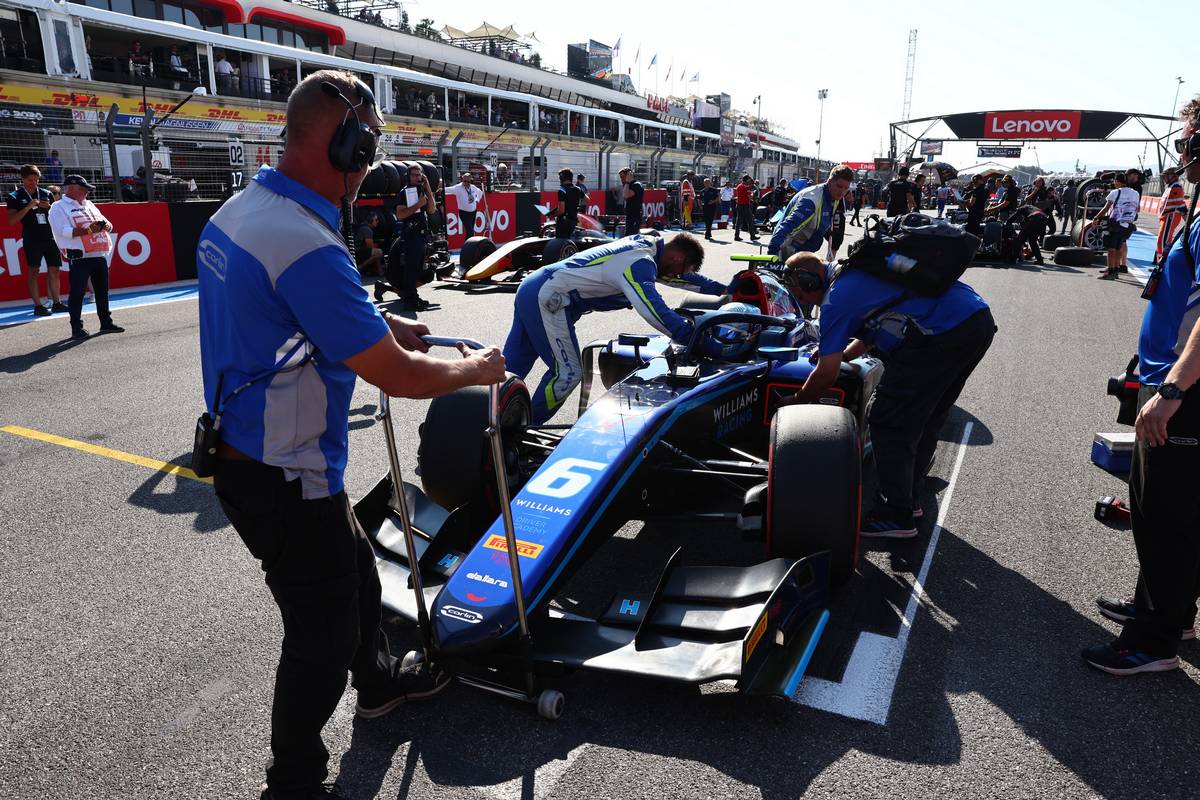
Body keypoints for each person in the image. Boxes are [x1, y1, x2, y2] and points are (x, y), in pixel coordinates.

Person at [197, 70, 507, 799]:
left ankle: (378, 685)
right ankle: (295, 779)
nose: (370, 163)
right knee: (319, 637)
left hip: (267, 462)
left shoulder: (242, 210)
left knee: (357, 574)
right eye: (368, 145)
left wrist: (368, 322)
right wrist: (475, 368)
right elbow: (398, 376)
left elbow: (279, 310)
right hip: (283, 473)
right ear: (347, 145)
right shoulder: (305, 242)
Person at [1084, 97, 1200, 676]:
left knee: (1164, 517)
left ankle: (1153, 643)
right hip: (1178, 383)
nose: (1181, 154)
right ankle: (1170, 613)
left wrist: (1173, 389)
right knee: (1177, 513)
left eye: (1186, 143)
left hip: (1186, 395)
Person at [779, 248, 995, 538]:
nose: (804, 302)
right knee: (928, 414)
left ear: (809, 281)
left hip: (941, 332)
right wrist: (841, 354)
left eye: (802, 295)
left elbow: (826, 374)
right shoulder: (856, 272)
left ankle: (896, 514)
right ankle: (908, 499)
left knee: (886, 416)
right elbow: (874, 327)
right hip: (974, 319)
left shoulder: (837, 296)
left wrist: (795, 402)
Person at [503, 233, 725, 423]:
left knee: (509, 369)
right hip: (549, 298)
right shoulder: (639, 262)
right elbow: (656, 313)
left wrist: (723, 290)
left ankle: (485, 420)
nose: (678, 276)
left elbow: (678, 278)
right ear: (678, 257)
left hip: (534, 287)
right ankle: (523, 430)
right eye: (681, 270)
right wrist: (697, 339)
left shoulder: (647, 245)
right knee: (568, 374)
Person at [49, 175, 122, 339]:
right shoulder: (58, 207)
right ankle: (76, 327)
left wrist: (103, 225)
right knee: (77, 293)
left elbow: (109, 225)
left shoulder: (89, 204)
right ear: (70, 188)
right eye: (83, 189)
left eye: (87, 189)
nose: (86, 192)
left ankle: (106, 322)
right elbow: (64, 231)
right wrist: (89, 230)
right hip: (79, 256)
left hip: (99, 253)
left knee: (102, 291)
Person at [375, 164, 437, 309]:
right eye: (414, 174)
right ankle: (410, 301)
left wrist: (428, 188)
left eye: (419, 174)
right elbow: (400, 215)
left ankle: (413, 296)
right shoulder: (404, 192)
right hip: (411, 234)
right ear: (408, 177)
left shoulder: (422, 190)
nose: (417, 177)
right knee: (411, 268)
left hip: (422, 234)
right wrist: (418, 205)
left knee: (417, 268)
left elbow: (432, 210)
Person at [8, 164, 65, 317]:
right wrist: (28, 207)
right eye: (30, 180)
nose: (33, 183)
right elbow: (12, 220)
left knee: (55, 269)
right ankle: (38, 305)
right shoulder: (14, 196)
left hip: (49, 236)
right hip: (32, 238)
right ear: (23, 179)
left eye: (36, 180)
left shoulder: (46, 193)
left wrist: (50, 207)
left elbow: (57, 216)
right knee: (34, 270)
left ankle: (57, 302)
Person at [767, 165, 853, 259]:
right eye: (839, 186)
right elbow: (786, 227)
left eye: (846, 188)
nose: (842, 192)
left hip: (804, 251)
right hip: (787, 252)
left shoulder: (834, 197)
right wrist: (772, 257)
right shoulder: (811, 200)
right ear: (829, 182)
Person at [1085, 172, 1140, 280]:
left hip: (1115, 224)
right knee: (1118, 247)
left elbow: (1106, 208)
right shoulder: (1135, 193)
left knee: (1111, 249)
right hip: (1128, 225)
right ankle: (1115, 270)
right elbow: (1137, 209)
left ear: (1117, 182)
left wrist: (1096, 218)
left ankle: (1110, 272)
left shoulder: (1115, 192)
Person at [1155, 166, 1188, 265]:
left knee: (1163, 241)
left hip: (1170, 216)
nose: (1164, 178)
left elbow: (1180, 204)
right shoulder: (1171, 186)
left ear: (1173, 176)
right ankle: (1159, 262)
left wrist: (1186, 218)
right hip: (1166, 217)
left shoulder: (1176, 187)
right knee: (1162, 240)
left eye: (1166, 176)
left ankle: (1161, 264)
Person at [546, 167, 582, 239]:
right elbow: (585, 200)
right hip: (573, 221)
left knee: (560, 244)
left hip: (563, 222)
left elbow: (561, 211)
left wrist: (552, 215)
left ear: (561, 178)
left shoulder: (562, 190)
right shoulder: (578, 189)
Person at [446, 171, 483, 240]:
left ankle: (466, 247)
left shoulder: (473, 187)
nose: (466, 183)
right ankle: (470, 247)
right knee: (471, 232)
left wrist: (477, 200)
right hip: (464, 213)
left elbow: (480, 193)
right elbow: (448, 189)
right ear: (462, 180)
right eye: (464, 181)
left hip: (473, 212)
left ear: (471, 181)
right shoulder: (458, 188)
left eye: (468, 182)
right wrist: (440, 189)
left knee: (469, 232)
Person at [354, 211, 383, 276]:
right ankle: (360, 267)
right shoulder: (367, 229)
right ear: (370, 220)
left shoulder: (363, 226)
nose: (377, 222)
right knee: (379, 252)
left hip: (356, 250)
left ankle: (379, 271)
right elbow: (370, 246)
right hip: (357, 252)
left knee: (376, 251)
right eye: (376, 220)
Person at [733, 174, 758, 242]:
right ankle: (752, 236)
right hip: (745, 206)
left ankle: (736, 236)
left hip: (739, 205)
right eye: (749, 180)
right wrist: (752, 194)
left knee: (738, 222)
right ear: (747, 180)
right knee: (750, 221)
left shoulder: (739, 186)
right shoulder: (746, 187)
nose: (749, 181)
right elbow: (750, 197)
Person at [620, 167, 644, 233]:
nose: (621, 179)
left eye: (623, 177)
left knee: (631, 235)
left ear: (629, 175)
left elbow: (625, 195)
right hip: (630, 215)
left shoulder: (636, 185)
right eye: (621, 177)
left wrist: (627, 182)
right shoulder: (629, 185)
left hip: (635, 216)